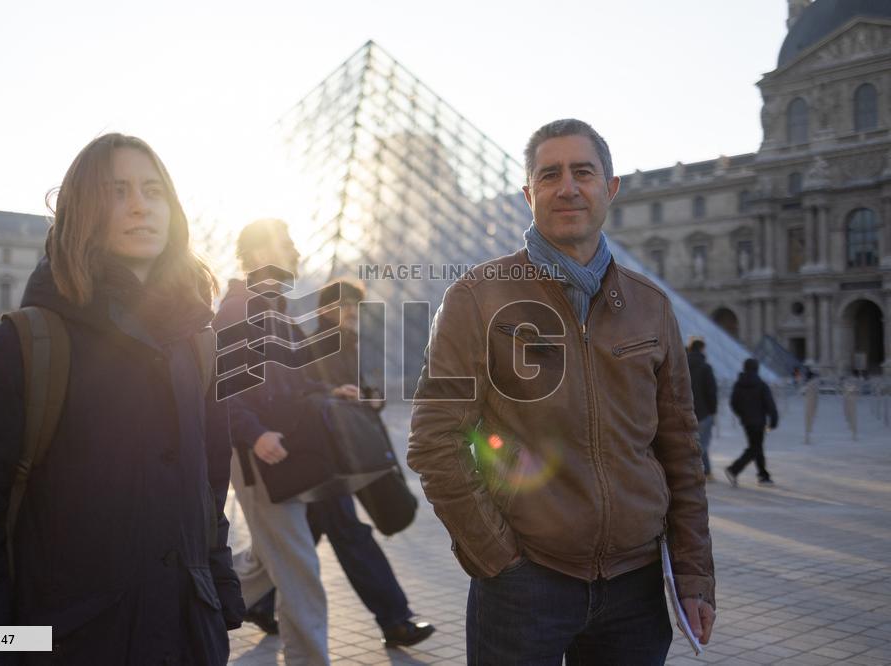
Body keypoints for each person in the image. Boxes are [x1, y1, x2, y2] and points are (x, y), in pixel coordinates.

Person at [408, 118, 715, 664]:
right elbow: (435, 441)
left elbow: (680, 450)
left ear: (610, 188)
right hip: (526, 583)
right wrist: (495, 556)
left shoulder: (653, 306)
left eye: (583, 172)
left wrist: (693, 573)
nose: (567, 187)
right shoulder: (474, 299)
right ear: (529, 195)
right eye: (549, 175)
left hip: (637, 587)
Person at [0, 133, 243, 664]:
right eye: (116, 191)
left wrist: (219, 593)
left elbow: (209, 493)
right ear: (81, 210)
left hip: (189, 637)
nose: (140, 204)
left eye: (153, 190)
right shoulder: (26, 347)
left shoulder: (200, 346)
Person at [242, 279, 435, 648]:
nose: (351, 312)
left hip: (340, 454)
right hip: (324, 457)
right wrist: (335, 393)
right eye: (344, 305)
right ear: (326, 307)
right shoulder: (316, 344)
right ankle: (395, 619)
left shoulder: (347, 344)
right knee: (350, 534)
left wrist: (369, 398)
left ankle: (262, 602)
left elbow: (356, 391)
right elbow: (302, 394)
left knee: (307, 534)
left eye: (355, 306)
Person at [214, 218, 359, 665]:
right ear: (259, 255)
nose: (295, 251)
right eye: (286, 243)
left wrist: (328, 392)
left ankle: (186, 606)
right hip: (262, 454)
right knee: (300, 570)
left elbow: (298, 382)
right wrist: (255, 435)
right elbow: (226, 388)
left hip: (284, 450)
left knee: (261, 565)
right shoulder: (238, 311)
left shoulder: (279, 311)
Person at [725, 358, 778, 487]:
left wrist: (742, 414)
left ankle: (763, 475)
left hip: (747, 422)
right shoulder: (761, 384)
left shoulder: (739, 384)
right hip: (759, 421)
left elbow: (733, 403)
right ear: (756, 368)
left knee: (756, 447)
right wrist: (773, 421)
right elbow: (770, 404)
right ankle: (733, 469)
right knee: (755, 448)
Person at [687, 338, 718, 480]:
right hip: (704, 412)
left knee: (692, 443)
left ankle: (702, 471)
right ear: (701, 349)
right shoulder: (706, 367)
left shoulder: (682, 365)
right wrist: (713, 411)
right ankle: (701, 471)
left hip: (686, 411)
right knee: (702, 444)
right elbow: (711, 392)